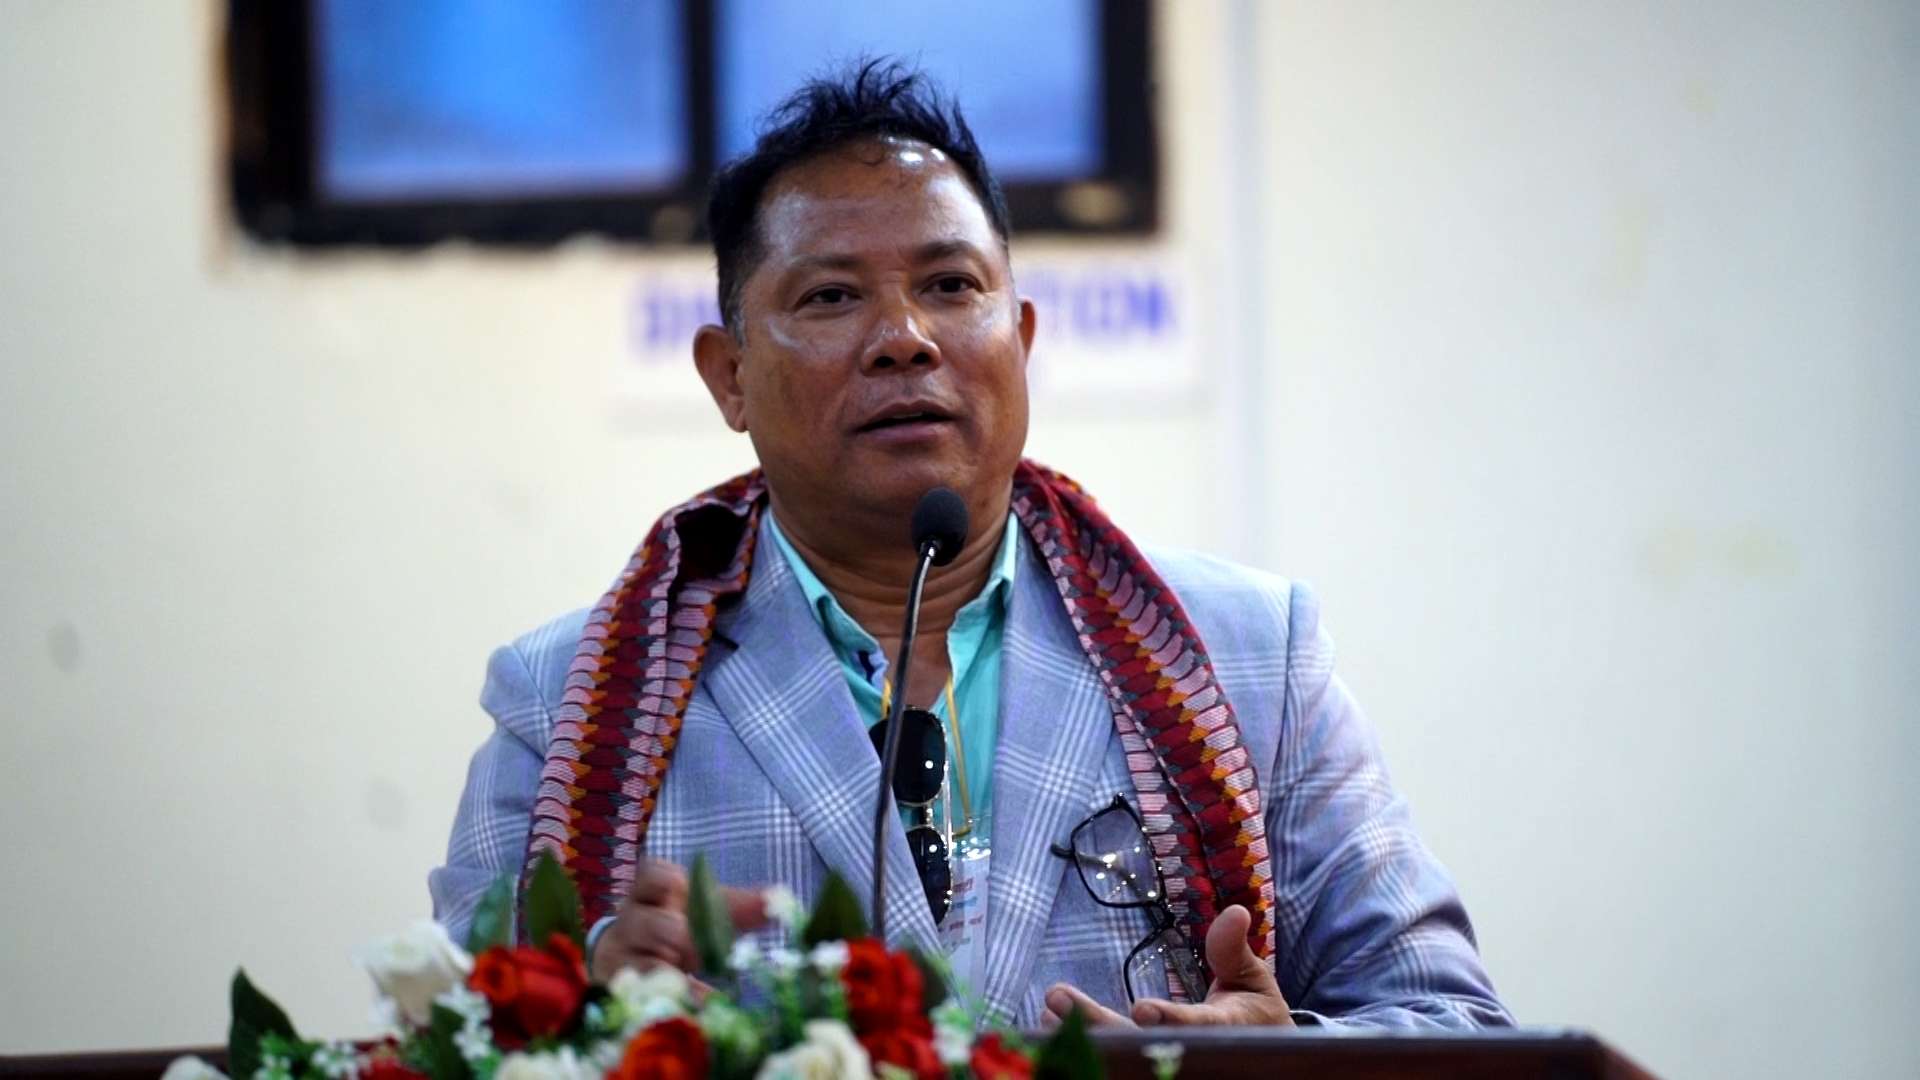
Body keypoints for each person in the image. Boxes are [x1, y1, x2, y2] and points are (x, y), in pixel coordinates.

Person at [431, 60, 1510, 1032]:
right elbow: (451, 1045)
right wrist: (577, 1027)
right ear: (729, 377)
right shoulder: (566, 705)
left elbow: (1453, 1022)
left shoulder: (1254, 657)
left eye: (951, 285)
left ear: (1022, 341)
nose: (905, 338)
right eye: (832, 295)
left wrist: (1281, 1064)